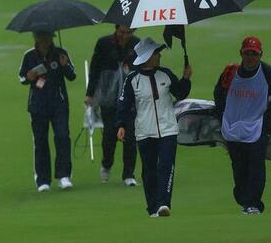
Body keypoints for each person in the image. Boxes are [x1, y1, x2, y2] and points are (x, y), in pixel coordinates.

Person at [116, 38, 192, 217]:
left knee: (166, 166)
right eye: (156, 53)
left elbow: (180, 93)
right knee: (149, 171)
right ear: (148, 56)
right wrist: (121, 125)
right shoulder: (132, 80)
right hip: (144, 131)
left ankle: (164, 204)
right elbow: (124, 105)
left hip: (168, 129)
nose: (159, 56)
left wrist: (186, 78)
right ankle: (152, 208)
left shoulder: (166, 74)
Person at [213, 36, 271, 215]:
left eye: (254, 54)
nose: (251, 57)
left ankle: (253, 203)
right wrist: (223, 115)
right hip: (232, 127)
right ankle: (244, 198)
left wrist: (266, 122)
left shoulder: (269, 73)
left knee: (256, 166)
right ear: (241, 54)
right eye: (247, 53)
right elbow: (218, 93)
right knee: (239, 166)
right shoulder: (230, 72)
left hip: (257, 128)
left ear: (261, 55)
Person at [18, 30, 77, 192]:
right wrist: (29, 76)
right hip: (38, 105)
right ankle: (43, 180)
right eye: (41, 37)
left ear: (52, 38)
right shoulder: (29, 56)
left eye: (47, 37)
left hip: (59, 104)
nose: (44, 40)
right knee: (40, 141)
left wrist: (65, 66)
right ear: (36, 38)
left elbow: (72, 76)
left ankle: (64, 176)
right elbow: (21, 77)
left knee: (63, 137)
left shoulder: (61, 53)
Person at [85, 24, 139, 186]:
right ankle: (106, 164)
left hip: (129, 97)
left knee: (131, 135)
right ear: (116, 29)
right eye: (122, 32)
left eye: (128, 33)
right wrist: (90, 94)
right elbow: (95, 69)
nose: (125, 36)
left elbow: (141, 69)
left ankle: (128, 174)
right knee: (110, 134)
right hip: (108, 96)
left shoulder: (137, 44)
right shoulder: (104, 43)